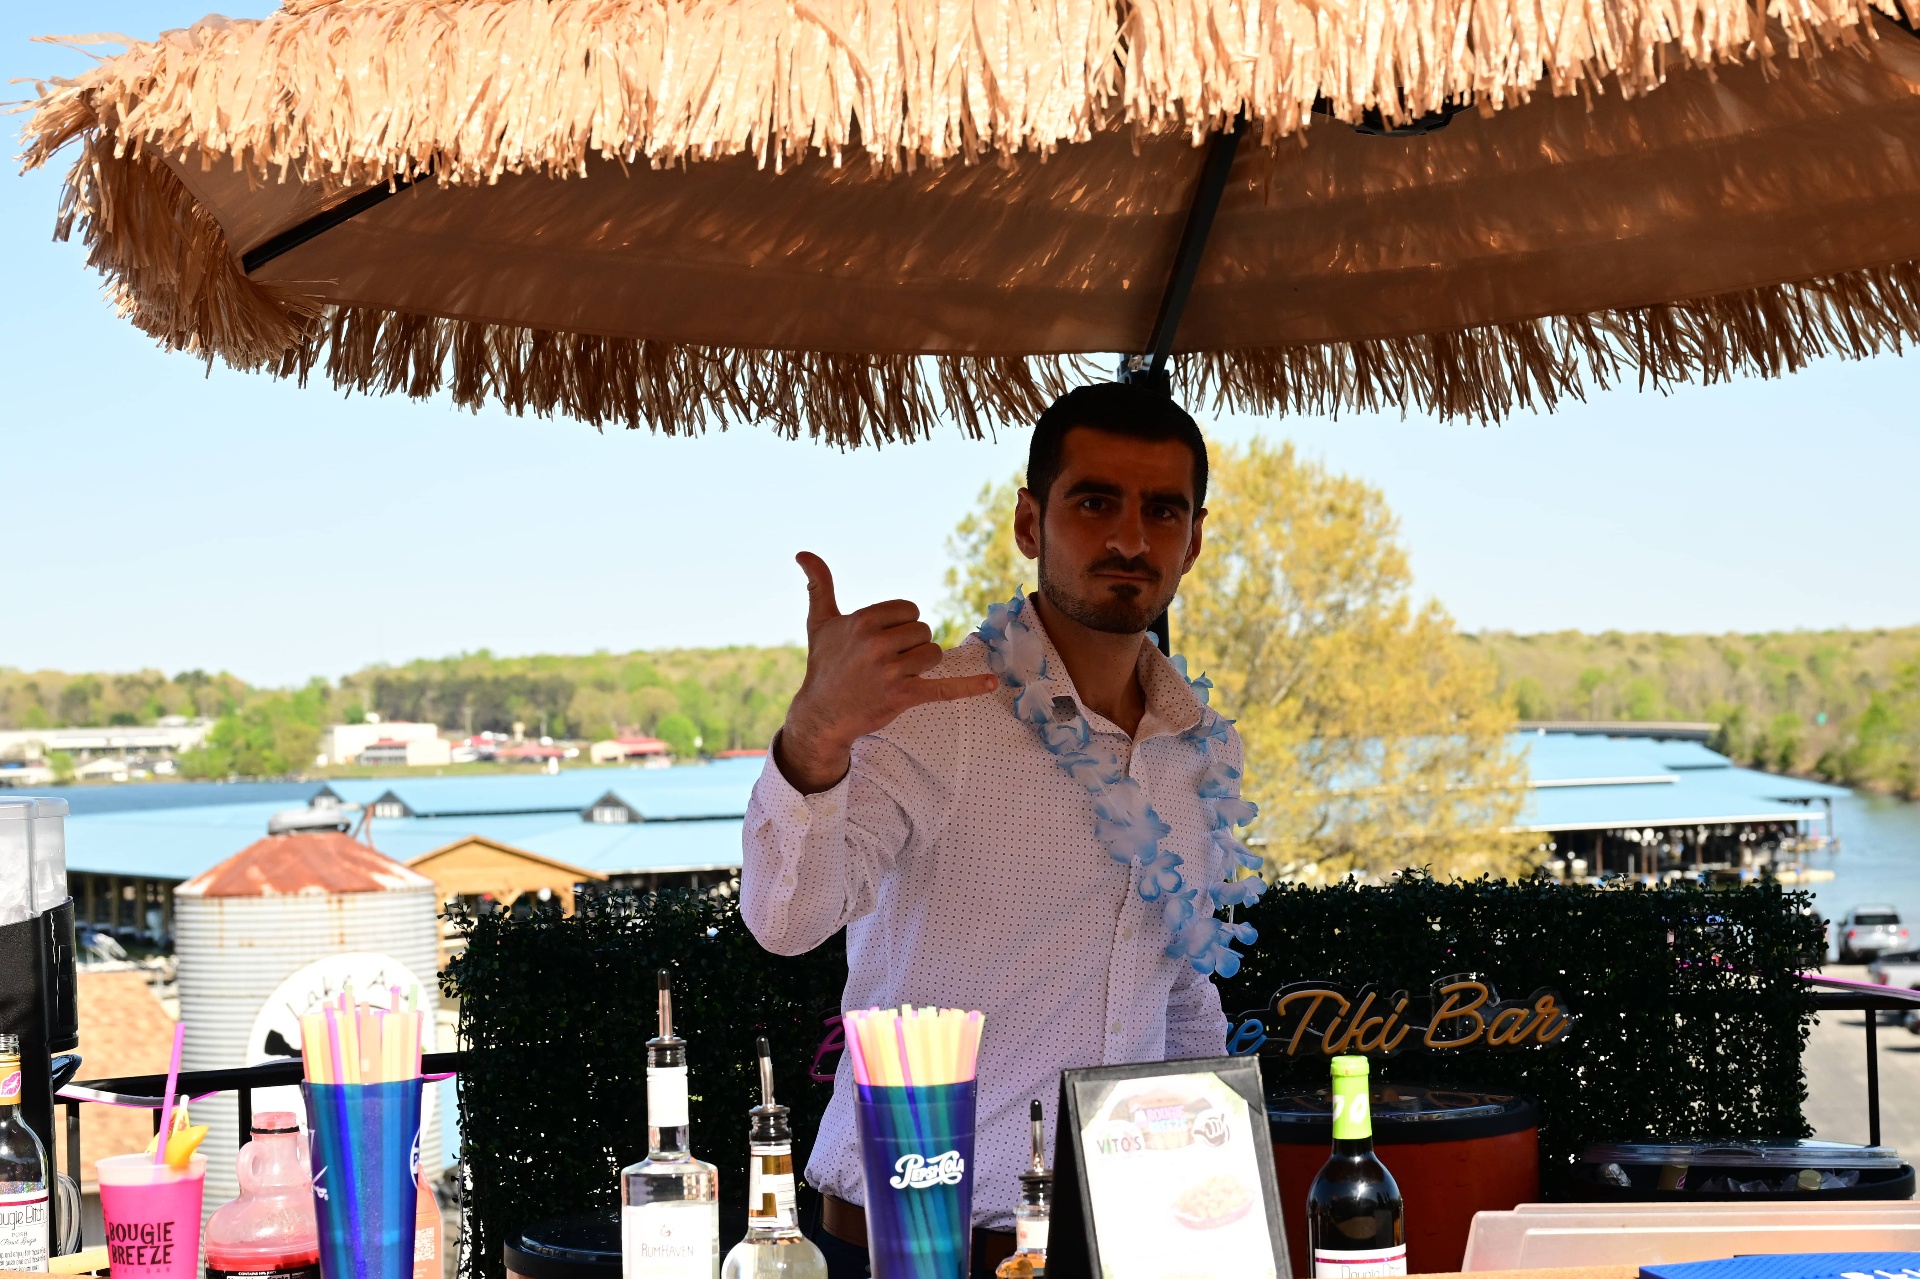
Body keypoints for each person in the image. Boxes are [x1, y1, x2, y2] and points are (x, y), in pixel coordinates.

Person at [740, 383, 1254, 1279]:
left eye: (1161, 511)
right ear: (1029, 521)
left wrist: (1228, 1216)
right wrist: (816, 735)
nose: (1131, 539)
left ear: (1195, 539)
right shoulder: (937, 708)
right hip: (913, 1241)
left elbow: (1176, 997)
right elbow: (786, 923)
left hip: (1124, 1241)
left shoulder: (1200, 749)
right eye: (1095, 502)